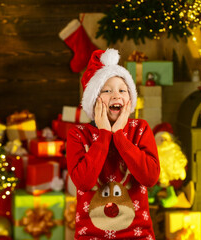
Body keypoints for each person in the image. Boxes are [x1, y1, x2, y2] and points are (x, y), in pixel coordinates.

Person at [66, 48, 160, 239]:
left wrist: (119, 135)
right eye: (106, 90)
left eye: (122, 90)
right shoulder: (78, 135)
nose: (116, 95)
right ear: (94, 101)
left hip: (137, 234)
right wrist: (103, 136)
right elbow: (84, 183)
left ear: (130, 99)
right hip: (91, 235)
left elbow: (149, 178)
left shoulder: (140, 129)